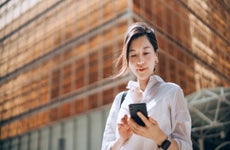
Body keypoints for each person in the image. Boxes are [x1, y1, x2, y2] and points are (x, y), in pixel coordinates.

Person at [101, 22, 192, 150]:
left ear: (156, 56)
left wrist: (159, 137)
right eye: (133, 55)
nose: (140, 61)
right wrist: (121, 139)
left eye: (146, 53)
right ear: (128, 60)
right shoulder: (120, 100)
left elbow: (186, 147)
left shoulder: (172, 92)